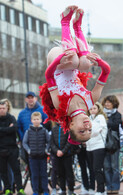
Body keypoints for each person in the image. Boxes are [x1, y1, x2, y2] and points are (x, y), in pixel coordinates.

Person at [39, 5, 111, 143]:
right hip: (73, 62)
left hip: (56, 62)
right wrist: (99, 62)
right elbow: (106, 71)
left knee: (73, 61)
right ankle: (77, 27)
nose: (87, 126)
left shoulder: (61, 106)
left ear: (71, 125)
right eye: (90, 130)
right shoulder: (91, 101)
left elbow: (48, 75)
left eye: (82, 131)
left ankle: (65, 21)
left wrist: (59, 60)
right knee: (85, 64)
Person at [0, 101, 25, 195]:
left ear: (6, 108)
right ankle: (7, 189)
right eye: (0, 108)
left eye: (3, 108)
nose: (1, 110)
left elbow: (15, 128)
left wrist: (0, 130)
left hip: (12, 148)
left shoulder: (12, 118)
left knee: (16, 170)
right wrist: (7, 129)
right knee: (3, 171)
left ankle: (20, 189)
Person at [22, 112, 50, 195]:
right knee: (34, 175)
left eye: (38, 119)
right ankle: (35, 191)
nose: (36, 121)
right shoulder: (28, 131)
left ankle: (45, 190)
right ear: (31, 120)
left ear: (41, 120)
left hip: (42, 156)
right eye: (34, 119)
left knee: (44, 174)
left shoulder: (44, 131)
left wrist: (46, 150)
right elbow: (24, 143)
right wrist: (29, 151)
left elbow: (49, 141)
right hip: (32, 157)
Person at [102, 95, 121, 194]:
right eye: (106, 102)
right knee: (106, 167)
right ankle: (108, 186)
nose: (107, 104)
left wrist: (105, 123)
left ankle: (115, 187)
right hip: (104, 144)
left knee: (115, 167)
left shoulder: (117, 115)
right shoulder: (101, 114)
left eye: (109, 102)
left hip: (114, 144)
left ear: (114, 104)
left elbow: (116, 125)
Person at [50, 123, 77, 195]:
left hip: (67, 154)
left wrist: (63, 151)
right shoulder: (54, 128)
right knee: (60, 172)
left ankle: (71, 189)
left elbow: (69, 141)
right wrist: (57, 151)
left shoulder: (68, 128)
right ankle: (63, 189)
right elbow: (51, 142)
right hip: (57, 155)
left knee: (69, 172)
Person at [87, 102, 108, 195]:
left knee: (98, 168)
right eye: (91, 109)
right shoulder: (88, 118)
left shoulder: (100, 118)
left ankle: (101, 189)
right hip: (89, 147)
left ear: (98, 109)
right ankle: (99, 188)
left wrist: (88, 131)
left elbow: (95, 131)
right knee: (92, 169)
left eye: (94, 108)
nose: (92, 110)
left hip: (99, 146)